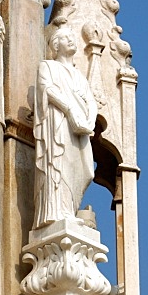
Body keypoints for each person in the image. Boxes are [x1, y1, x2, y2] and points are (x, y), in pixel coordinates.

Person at [34, 25, 98, 227]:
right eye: (64, 38)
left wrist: (89, 120)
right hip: (59, 124)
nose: (71, 40)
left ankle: (70, 207)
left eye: (72, 37)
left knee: (84, 169)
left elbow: (91, 102)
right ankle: (57, 212)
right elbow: (47, 89)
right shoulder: (48, 66)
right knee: (59, 165)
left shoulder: (80, 77)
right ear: (55, 45)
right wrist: (70, 110)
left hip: (80, 128)